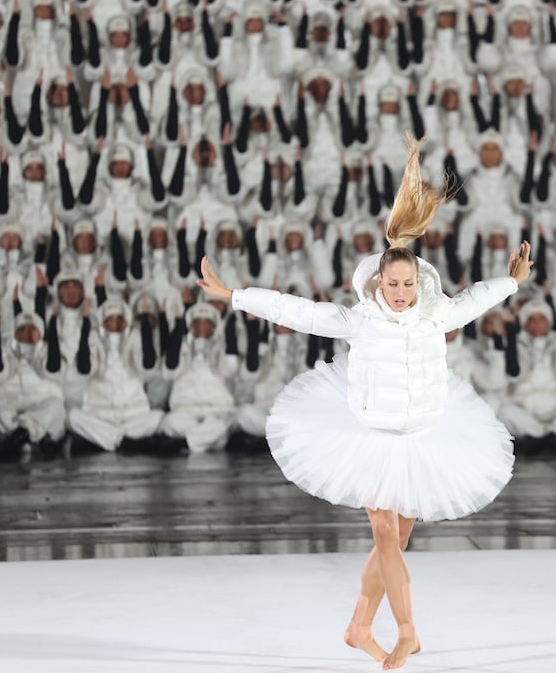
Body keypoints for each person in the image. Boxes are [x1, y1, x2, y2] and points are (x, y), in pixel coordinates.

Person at [196, 133, 530, 670]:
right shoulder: (358, 320)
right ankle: (406, 632)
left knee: (394, 539)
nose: (400, 292)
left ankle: (357, 626)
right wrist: (236, 295)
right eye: (392, 284)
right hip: (371, 438)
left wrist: (512, 284)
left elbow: (474, 299)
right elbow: (298, 311)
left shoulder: (435, 314)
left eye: (407, 284)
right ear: (379, 282)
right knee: (384, 533)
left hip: (424, 435)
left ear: (420, 283)